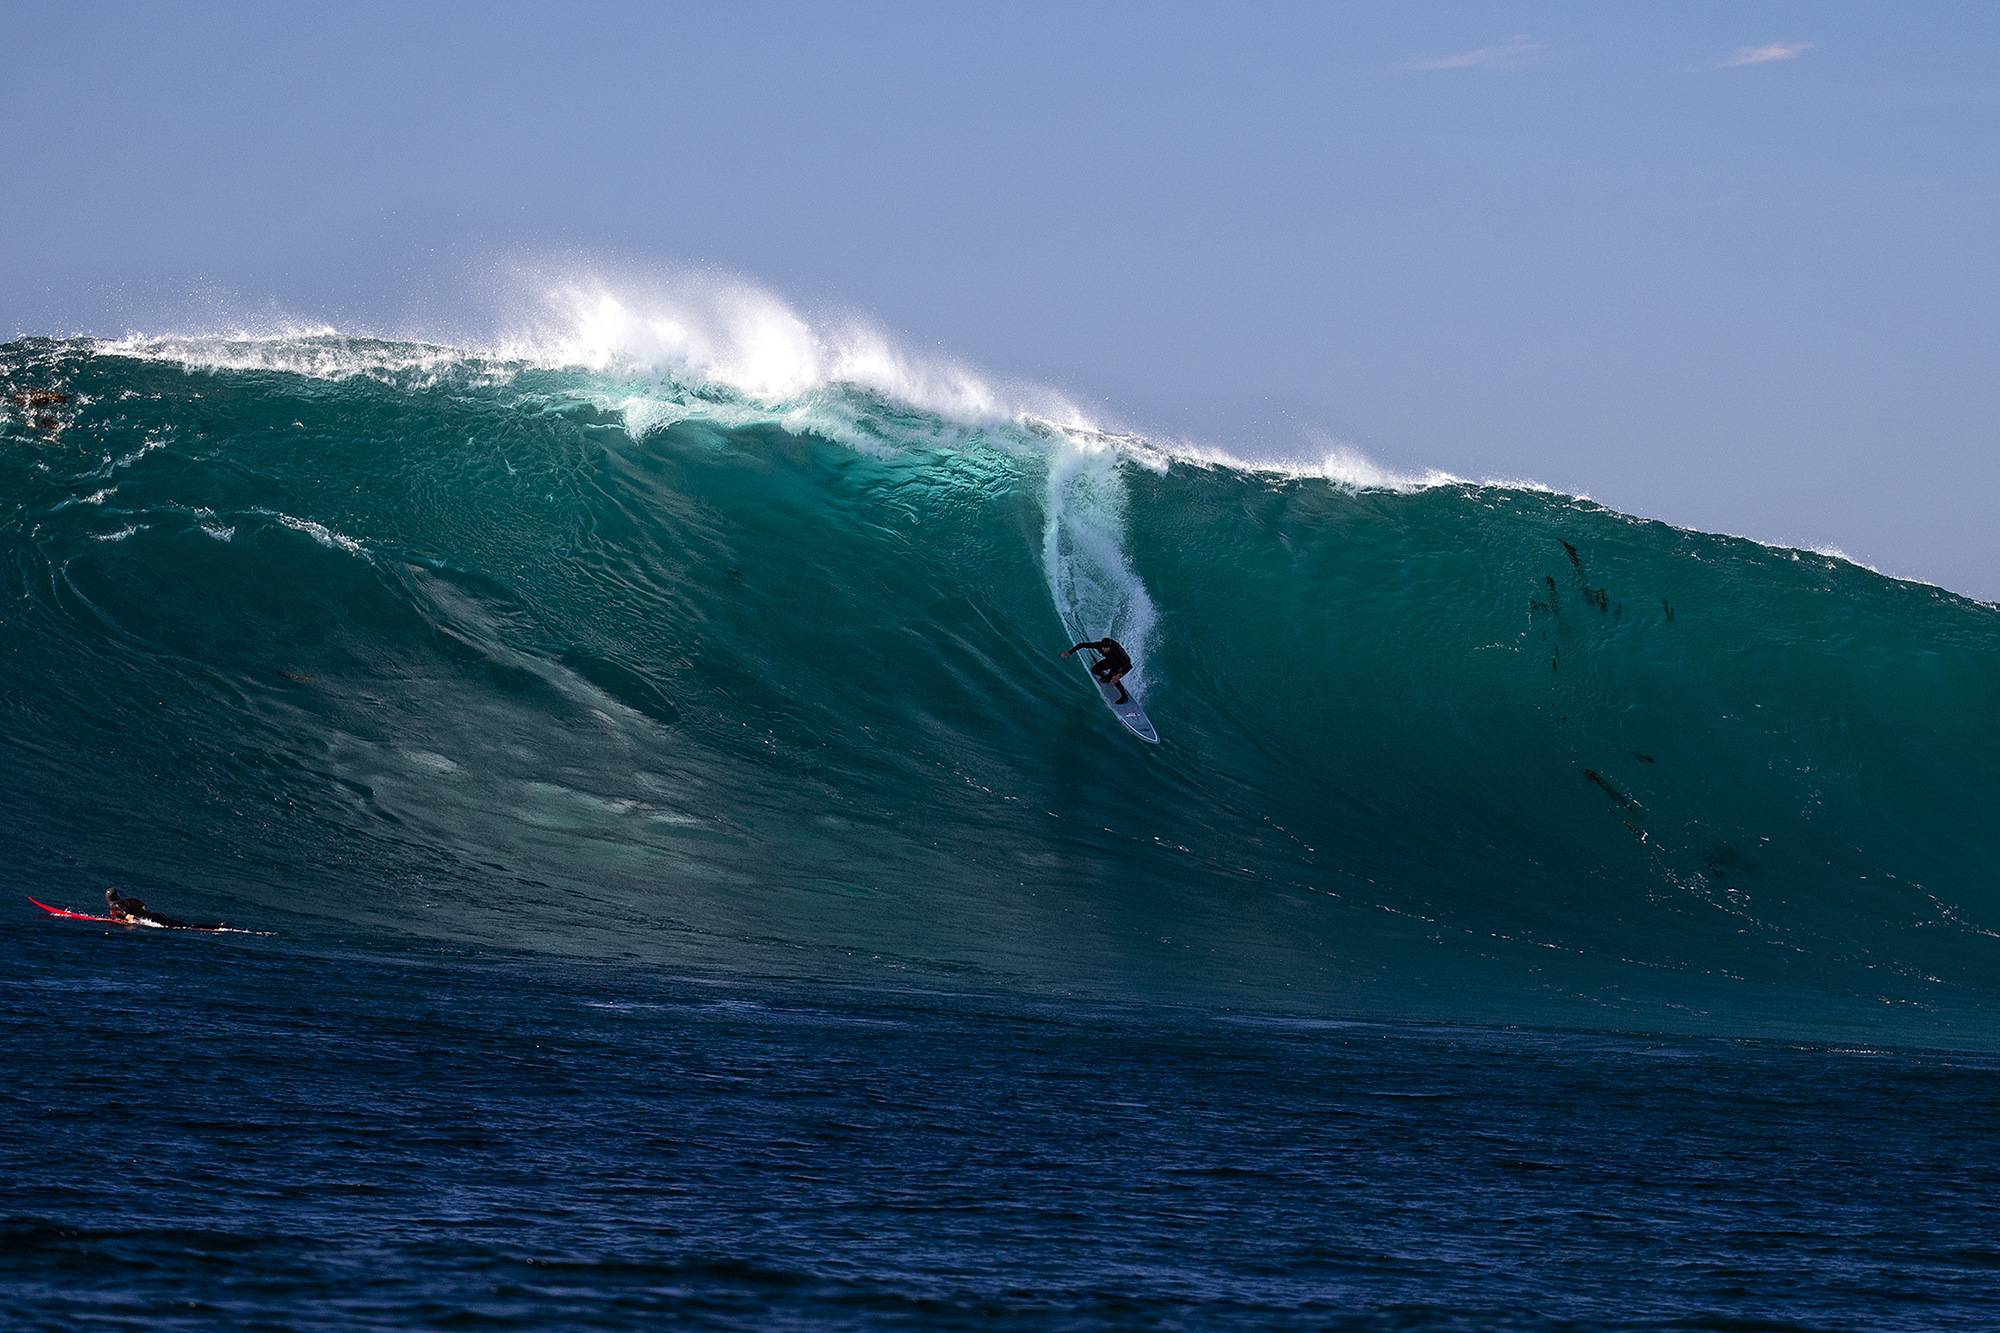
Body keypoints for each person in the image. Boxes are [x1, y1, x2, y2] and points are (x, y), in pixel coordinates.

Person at [105, 888, 222, 931]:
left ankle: (218, 927)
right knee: (185, 925)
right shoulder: (121, 902)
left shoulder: (115, 906)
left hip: (152, 918)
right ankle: (218, 927)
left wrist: (129, 922)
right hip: (155, 915)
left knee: (185, 927)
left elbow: (125, 913)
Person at [1063, 637, 1134, 705]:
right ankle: (1107, 678)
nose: (1105, 650)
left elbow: (1129, 666)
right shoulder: (1098, 645)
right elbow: (1082, 645)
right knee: (1094, 670)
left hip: (1121, 663)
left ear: (1110, 647)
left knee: (1113, 677)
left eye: (1107, 648)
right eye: (1104, 648)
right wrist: (1069, 652)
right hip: (1111, 660)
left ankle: (1124, 697)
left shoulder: (1117, 651)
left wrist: (1119, 676)